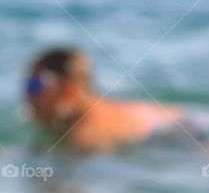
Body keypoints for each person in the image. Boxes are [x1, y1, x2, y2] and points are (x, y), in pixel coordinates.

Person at [25, 48, 184, 152]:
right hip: (175, 119)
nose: (28, 94)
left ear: (69, 91)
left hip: (183, 132)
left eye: (35, 86)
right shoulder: (89, 110)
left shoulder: (84, 135)